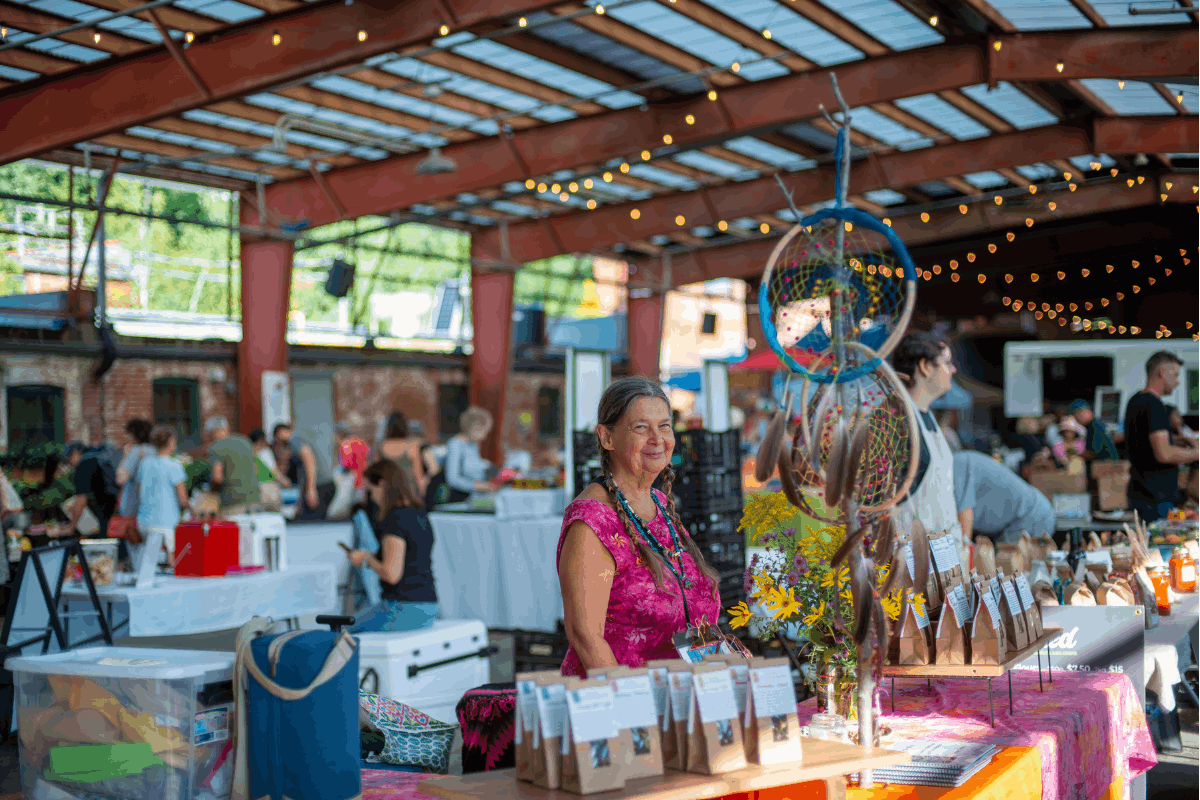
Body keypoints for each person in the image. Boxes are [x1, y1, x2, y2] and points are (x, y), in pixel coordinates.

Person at [557, 377, 721, 676]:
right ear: (607, 438)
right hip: (619, 704)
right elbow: (585, 636)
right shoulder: (592, 522)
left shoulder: (657, 502)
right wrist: (632, 711)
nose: (658, 439)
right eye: (641, 427)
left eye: (664, 426)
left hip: (676, 700)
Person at [891, 332, 967, 568]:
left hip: (942, 557)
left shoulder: (928, 417)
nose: (952, 370)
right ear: (924, 366)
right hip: (912, 563)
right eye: (946, 363)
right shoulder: (898, 422)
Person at [345, 460, 437, 632]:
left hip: (402, 608)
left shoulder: (395, 519)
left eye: (370, 490)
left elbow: (391, 573)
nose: (370, 497)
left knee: (341, 632)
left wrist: (366, 558)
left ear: (381, 484)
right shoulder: (420, 515)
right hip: (428, 607)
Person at [1124, 351, 1199, 523]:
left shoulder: (1136, 400)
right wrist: (1197, 453)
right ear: (1162, 373)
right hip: (1154, 498)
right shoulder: (1154, 405)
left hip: (1140, 493)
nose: (1178, 381)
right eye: (1175, 375)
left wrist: (1181, 441)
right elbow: (1163, 453)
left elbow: (1145, 443)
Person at [953, 450, 1055, 544]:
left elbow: (963, 540)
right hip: (1029, 515)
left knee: (1003, 560)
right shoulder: (959, 463)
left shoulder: (956, 467)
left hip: (1032, 517)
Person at [136, 425, 189, 553]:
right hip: (166, 521)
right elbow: (183, 499)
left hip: (144, 520)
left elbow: (139, 491)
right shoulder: (174, 465)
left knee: (150, 561)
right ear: (170, 441)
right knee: (171, 562)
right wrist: (192, 510)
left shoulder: (145, 463)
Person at [273, 423, 335, 519]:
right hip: (321, 485)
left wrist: (311, 489)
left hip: (320, 485)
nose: (278, 443)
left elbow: (309, 459)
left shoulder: (295, 440)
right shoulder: (297, 440)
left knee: (312, 522)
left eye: (277, 439)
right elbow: (302, 473)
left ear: (280, 433)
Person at [64, 441, 120, 537]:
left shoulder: (83, 464)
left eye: (69, 460)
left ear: (75, 453)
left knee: (106, 546)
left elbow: (81, 499)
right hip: (121, 509)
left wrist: (71, 527)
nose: (70, 465)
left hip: (106, 514)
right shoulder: (100, 455)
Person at [205, 416, 260, 515]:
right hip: (254, 498)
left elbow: (217, 478)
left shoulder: (216, 447)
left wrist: (210, 491)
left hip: (232, 502)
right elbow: (256, 470)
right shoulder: (245, 441)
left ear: (212, 432)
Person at [444, 407, 497, 496]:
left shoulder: (473, 444)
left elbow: (474, 464)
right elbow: (452, 480)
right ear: (474, 428)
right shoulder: (455, 444)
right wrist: (478, 486)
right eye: (484, 432)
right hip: (461, 498)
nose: (485, 437)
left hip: (475, 495)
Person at [115, 419, 154, 519]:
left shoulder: (136, 451)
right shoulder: (156, 451)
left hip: (133, 509)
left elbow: (121, 479)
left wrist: (125, 456)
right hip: (153, 509)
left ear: (133, 434)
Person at [375, 413, 425, 490]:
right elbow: (418, 476)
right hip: (409, 492)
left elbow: (377, 476)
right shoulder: (411, 446)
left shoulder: (381, 447)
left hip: (388, 492)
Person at [336, 423, 371, 489]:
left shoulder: (345, 444)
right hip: (364, 476)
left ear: (340, 435)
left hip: (353, 478)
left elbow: (347, 462)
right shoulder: (361, 441)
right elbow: (369, 455)